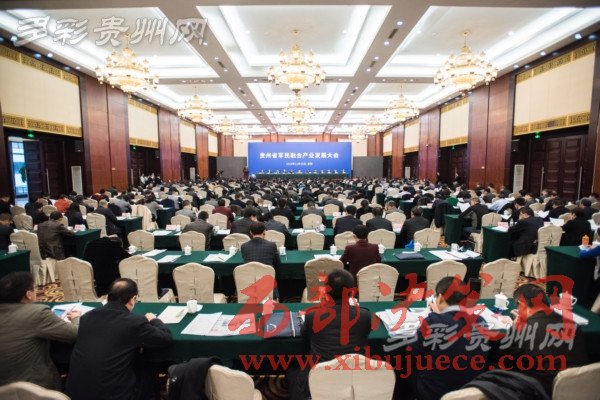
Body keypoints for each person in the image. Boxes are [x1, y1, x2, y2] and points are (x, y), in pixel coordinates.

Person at [66, 278, 172, 400]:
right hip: (113, 395)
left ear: (108, 297)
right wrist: (154, 320)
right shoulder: (134, 322)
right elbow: (165, 338)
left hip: (75, 393)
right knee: (148, 367)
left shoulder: (86, 317)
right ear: (133, 299)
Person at [287, 269, 371, 400]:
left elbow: (304, 334)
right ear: (352, 292)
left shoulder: (313, 315)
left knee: (292, 371)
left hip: (319, 377)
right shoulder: (364, 315)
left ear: (326, 290)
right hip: (354, 377)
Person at [495, 284, 588, 396]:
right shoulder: (572, 324)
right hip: (577, 389)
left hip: (540, 392)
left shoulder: (523, 329)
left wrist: (514, 328)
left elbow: (504, 362)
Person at [409, 276, 489, 400]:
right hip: (471, 392)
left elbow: (414, 354)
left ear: (440, 298)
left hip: (434, 394)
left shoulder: (434, 321)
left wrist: (435, 317)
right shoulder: (481, 321)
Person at [0, 271, 79, 389]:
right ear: (29, 294)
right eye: (35, 288)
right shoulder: (38, 313)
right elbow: (75, 333)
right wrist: (76, 318)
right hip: (34, 388)